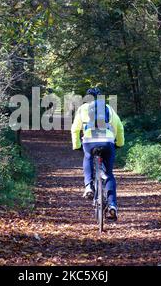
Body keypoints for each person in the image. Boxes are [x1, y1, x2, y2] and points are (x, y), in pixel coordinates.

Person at [71, 87, 124, 221]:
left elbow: (75, 129)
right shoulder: (108, 108)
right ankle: (112, 205)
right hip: (107, 142)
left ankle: (89, 186)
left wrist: (77, 145)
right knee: (109, 174)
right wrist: (119, 143)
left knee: (88, 156)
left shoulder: (83, 109)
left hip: (89, 141)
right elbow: (119, 127)